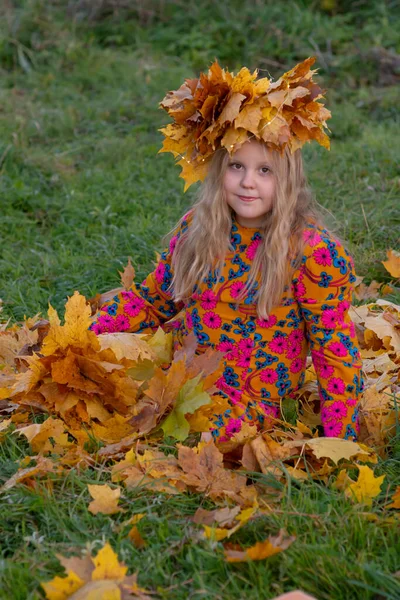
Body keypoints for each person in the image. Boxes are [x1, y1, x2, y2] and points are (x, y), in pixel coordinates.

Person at [90, 57, 364, 443]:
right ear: (219, 169)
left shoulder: (311, 252)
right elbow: (153, 301)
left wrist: (342, 442)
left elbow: (334, 353)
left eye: (264, 170)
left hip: (251, 404)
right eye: (236, 166)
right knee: (109, 398)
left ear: (288, 179)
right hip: (186, 379)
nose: (248, 182)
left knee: (193, 435)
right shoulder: (199, 229)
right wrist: (89, 337)